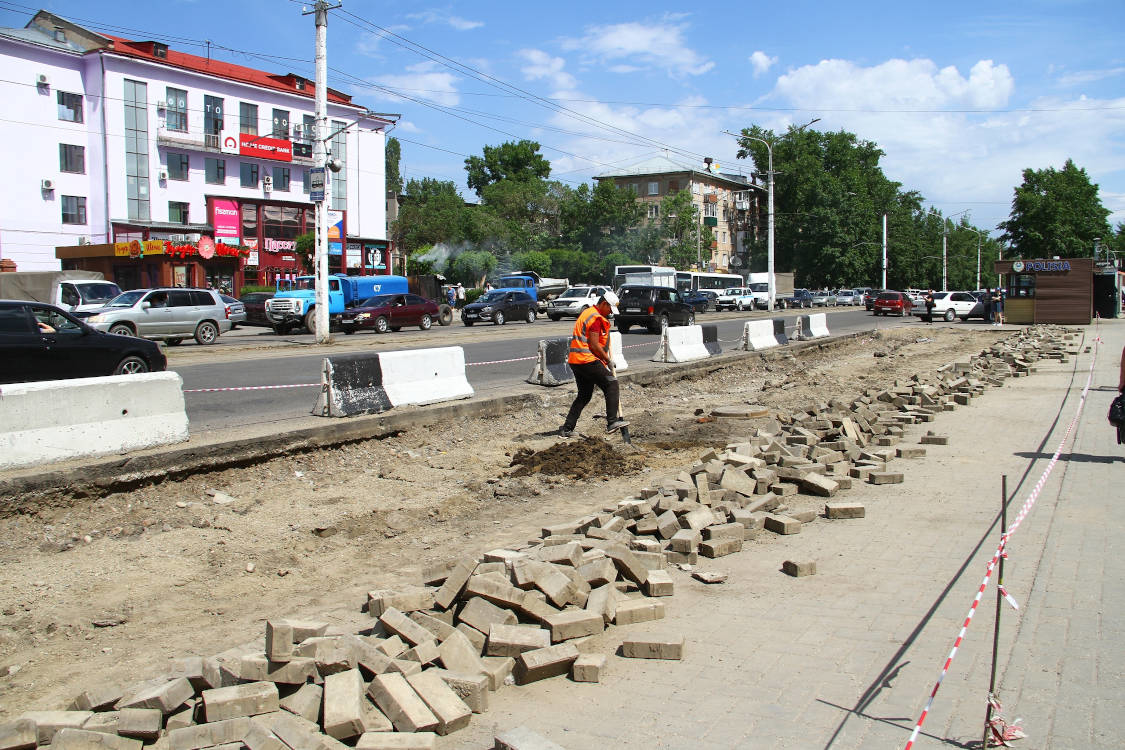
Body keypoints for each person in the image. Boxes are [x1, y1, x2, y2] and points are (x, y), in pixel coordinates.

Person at [559, 291, 628, 437]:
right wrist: (608, 360)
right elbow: (594, 345)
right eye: (609, 309)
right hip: (586, 359)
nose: (610, 313)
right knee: (611, 384)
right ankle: (612, 422)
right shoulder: (596, 318)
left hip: (576, 360)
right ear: (603, 304)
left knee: (584, 395)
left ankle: (567, 429)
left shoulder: (589, 313)